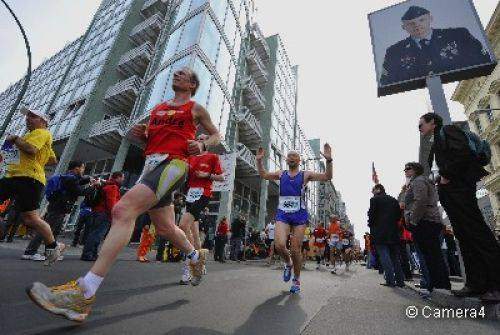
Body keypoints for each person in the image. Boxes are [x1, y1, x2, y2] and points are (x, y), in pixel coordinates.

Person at [27, 67, 221, 322]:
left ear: (192, 85)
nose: (177, 74)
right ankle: (195, 257)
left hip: (175, 164)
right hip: (152, 165)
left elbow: (217, 135)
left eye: (183, 74)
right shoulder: (158, 109)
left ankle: (84, 292)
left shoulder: (195, 108)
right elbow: (152, 141)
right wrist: (142, 136)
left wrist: (203, 144)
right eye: (176, 72)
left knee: (122, 210)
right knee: (165, 228)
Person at [419, 112, 500, 302]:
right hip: (452, 192)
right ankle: (476, 284)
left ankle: (496, 284)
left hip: (460, 189)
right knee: (464, 237)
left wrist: (446, 175)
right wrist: (441, 178)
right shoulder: (436, 140)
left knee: (478, 234)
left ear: (432, 122)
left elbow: (462, 154)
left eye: (421, 124)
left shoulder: (448, 130)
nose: (420, 128)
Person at [256, 143, 333, 293]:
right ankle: (288, 263)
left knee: (295, 249)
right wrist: (259, 161)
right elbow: (263, 175)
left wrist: (329, 161)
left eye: (294, 156)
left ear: (299, 161)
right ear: (286, 160)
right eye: (289, 156)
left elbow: (327, 177)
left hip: (299, 214)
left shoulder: (305, 174)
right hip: (283, 213)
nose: (291, 158)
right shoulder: (281, 174)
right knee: (279, 245)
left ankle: (296, 280)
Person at [0, 107, 64, 264]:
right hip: (14, 176)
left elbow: (30, 149)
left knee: (31, 219)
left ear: (43, 121)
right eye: (27, 116)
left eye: (32, 116)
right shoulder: (32, 135)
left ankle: (53, 246)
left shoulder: (42, 133)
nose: (27, 118)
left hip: (28, 179)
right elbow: (52, 160)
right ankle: (53, 246)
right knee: (29, 219)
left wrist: (15, 139)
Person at [380, 6, 491, 86]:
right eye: (410, 23)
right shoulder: (394, 52)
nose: (417, 25)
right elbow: (386, 82)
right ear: (404, 27)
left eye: (421, 20)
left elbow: (483, 59)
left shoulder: (458, 35)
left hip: (462, 84)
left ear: (430, 18)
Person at [22, 161, 94, 261]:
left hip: (58, 207)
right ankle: (30, 252)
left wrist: (88, 180)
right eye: (82, 168)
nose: (83, 170)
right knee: (45, 230)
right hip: (58, 208)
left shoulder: (68, 177)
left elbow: (78, 182)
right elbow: (80, 191)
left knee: (53, 232)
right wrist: (93, 186)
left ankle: (50, 253)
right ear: (76, 168)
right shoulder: (71, 179)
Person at [179, 138, 223, 284]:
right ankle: (199, 262)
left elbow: (221, 177)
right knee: (194, 234)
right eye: (199, 138)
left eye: (204, 139)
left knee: (183, 226)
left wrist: (206, 175)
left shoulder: (212, 157)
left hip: (203, 194)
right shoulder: (190, 158)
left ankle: (189, 266)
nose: (200, 140)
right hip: (190, 195)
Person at [403, 162, 451, 296]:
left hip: (425, 221)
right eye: (405, 169)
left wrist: (413, 220)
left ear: (416, 170)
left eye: (408, 168)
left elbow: (421, 201)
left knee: (431, 255)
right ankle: (436, 285)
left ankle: (439, 286)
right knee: (431, 254)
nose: (405, 171)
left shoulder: (418, 181)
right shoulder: (420, 181)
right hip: (428, 221)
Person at [81, 172, 124, 261]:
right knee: (97, 235)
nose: (123, 180)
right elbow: (111, 203)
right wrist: (113, 216)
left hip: (96, 212)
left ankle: (92, 253)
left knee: (94, 233)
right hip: (104, 214)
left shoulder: (105, 184)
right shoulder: (113, 187)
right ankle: (88, 254)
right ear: (118, 177)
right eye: (122, 177)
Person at [368, 184, 405, 288]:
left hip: (380, 232)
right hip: (393, 232)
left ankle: (390, 280)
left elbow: (371, 216)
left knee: (384, 256)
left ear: (378, 189)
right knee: (394, 257)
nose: (372, 192)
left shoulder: (374, 200)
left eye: (373, 190)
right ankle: (400, 281)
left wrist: (371, 225)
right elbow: (398, 216)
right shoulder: (393, 200)